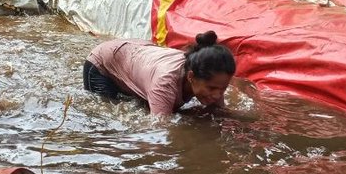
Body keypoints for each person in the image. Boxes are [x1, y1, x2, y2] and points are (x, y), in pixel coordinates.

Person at [83, 31, 236, 115]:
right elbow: (160, 130)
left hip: (138, 52)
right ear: (191, 77)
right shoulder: (165, 83)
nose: (217, 95)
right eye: (211, 89)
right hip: (102, 64)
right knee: (109, 112)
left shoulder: (213, 78)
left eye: (222, 89)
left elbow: (220, 112)